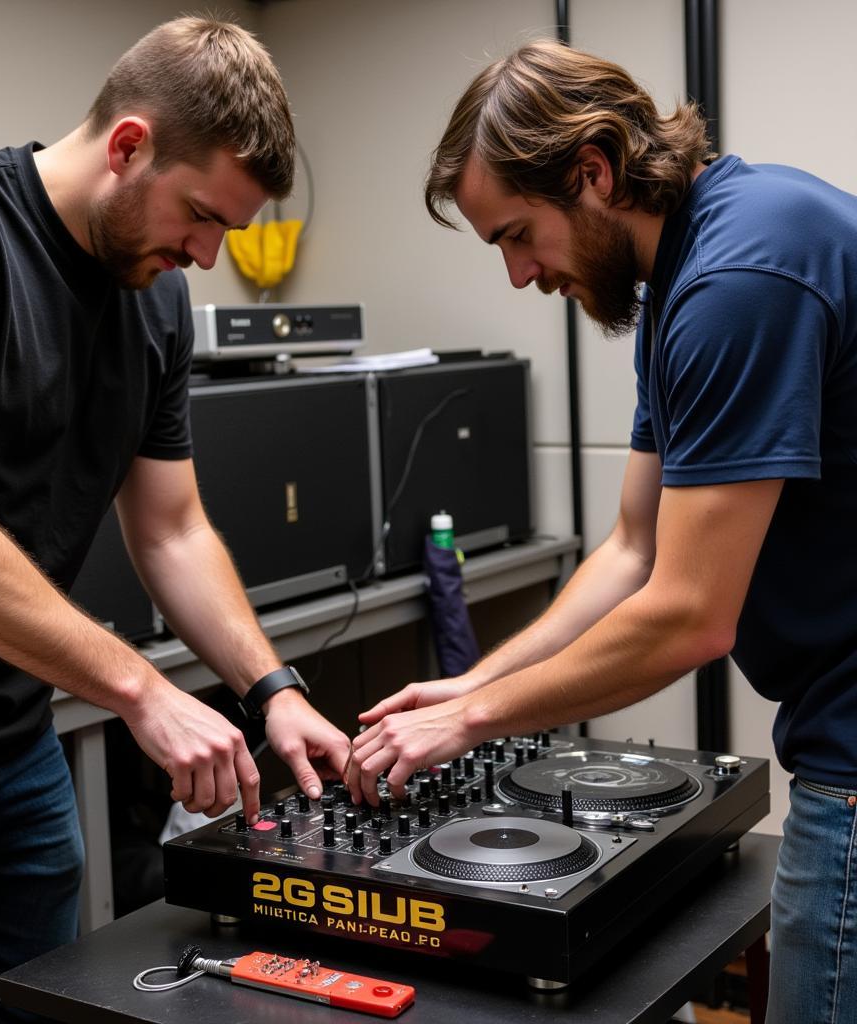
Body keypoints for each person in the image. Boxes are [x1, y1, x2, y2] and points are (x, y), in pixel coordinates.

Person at [0, 17, 350, 1023]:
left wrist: (270, 688)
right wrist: (143, 693)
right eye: (200, 215)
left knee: (47, 1008)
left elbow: (172, 531)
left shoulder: (154, 302)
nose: (204, 254)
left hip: (15, 747)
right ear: (128, 145)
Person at [345, 39, 857, 1022]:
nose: (517, 274)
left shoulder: (740, 277)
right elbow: (633, 546)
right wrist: (475, 681)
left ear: (592, 172)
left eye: (516, 233)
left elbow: (688, 616)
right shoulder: (685, 280)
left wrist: (471, 722)